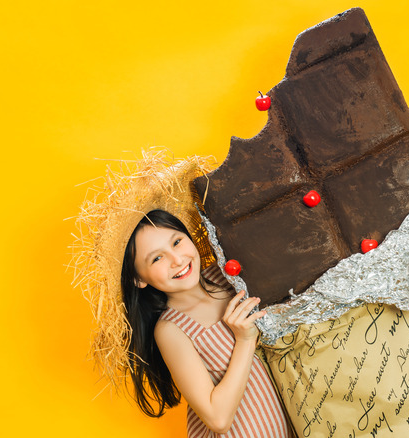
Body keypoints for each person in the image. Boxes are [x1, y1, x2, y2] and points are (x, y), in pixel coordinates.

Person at [72, 150, 292, 437]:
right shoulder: (172, 329)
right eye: (156, 258)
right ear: (139, 279)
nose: (176, 259)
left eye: (177, 242)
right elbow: (217, 418)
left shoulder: (227, 274)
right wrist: (245, 340)